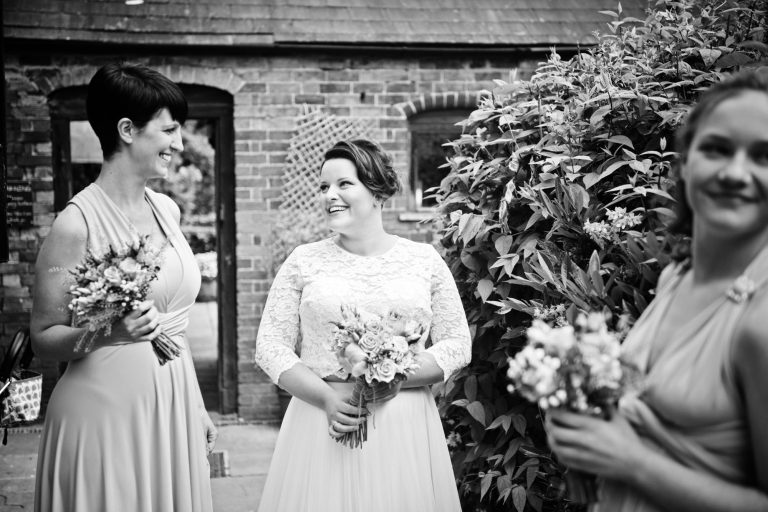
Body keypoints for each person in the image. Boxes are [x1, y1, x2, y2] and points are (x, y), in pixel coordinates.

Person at [545, 70, 768, 511]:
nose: (735, 173)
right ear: (685, 165)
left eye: (763, 156)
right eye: (717, 148)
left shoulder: (759, 322)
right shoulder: (677, 277)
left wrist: (632, 462)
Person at [31, 63, 216, 512]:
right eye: (169, 130)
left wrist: (195, 402)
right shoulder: (75, 225)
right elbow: (43, 339)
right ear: (128, 130)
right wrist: (110, 332)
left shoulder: (167, 210)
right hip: (103, 415)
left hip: (170, 404)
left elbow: (173, 324)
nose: (177, 143)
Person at [254, 139, 472, 511]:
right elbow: (270, 347)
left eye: (343, 184)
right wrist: (326, 398)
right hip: (322, 418)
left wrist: (393, 375)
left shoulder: (424, 260)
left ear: (376, 191)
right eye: (323, 187)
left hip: (402, 425)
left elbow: (456, 343)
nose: (329, 196)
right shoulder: (303, 261)